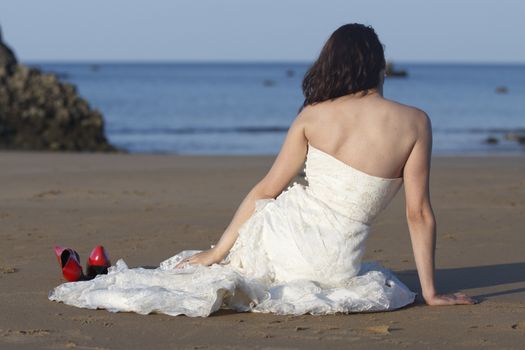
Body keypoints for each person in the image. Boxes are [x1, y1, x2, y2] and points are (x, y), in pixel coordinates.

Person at [49, 23, 476, 316]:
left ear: (335, 64)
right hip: (337, 267)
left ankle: (96, 272)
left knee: (207, 271)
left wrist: (218, 250)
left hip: (285, 238)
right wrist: (431, 292)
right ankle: (101, 270)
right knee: (217, 275)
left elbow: (266, 190)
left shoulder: (314, 116)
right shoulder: (415, 122)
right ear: (380, 66)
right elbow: (418, 214)